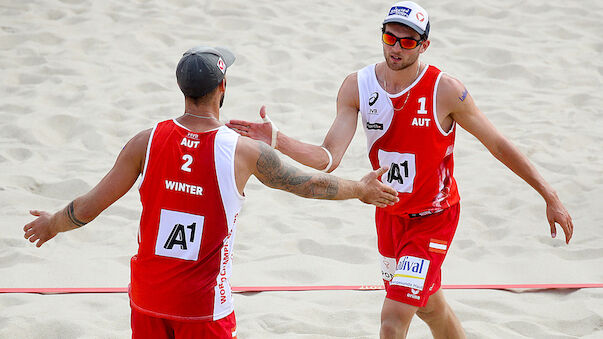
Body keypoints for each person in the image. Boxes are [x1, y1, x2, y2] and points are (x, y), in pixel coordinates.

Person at [226, 1, 575, 338]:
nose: (396, 48)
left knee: (393, 321)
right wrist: (276, 138)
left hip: (433, 219)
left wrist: (550, 194)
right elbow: (327, 157)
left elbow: (498, 144)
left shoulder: (446, 90)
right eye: (389, 38)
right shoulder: (357, 86)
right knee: (428, 307)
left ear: (424, 45)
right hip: (389, 215)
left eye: (407, 42)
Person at [22, 45, 399, 339]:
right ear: (222, 88)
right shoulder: (242, 150)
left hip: (147, 299)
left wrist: (53, 224)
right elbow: (310, 184)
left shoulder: (146, 140)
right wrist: (360, 189)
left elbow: (90, 206)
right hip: (202, 308)